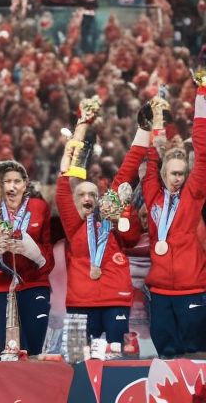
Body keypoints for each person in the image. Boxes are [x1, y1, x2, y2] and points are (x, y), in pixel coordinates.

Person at [55, 117, 146, 345]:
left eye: (93, 194)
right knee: (77, 360)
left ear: (100, 199)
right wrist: (81, 127)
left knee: (118, 357)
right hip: (79, 301)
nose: (87, 198)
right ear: (75, 202)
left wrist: (144, 131)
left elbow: (127, 170)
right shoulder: (73, 225)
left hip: (116, 298)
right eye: (82, 194)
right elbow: (63, 185)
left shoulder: (111, 217)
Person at [141, 87, 206, 357]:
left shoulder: (192, 196)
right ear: (164, 173)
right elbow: (151, 156)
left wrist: (201, 101)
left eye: (182, 174)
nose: (178, 178)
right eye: (173, 173)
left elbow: (202, 155)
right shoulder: (153, 195)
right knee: (166, 357)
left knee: (196, 355)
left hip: (192, 288)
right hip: (160, 293)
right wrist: (157, 122)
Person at [0, 160, 54, 355]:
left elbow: (48, 257)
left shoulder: (39, 207)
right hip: (1, 286)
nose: (12, 187)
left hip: (34, 284)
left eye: (17, 181)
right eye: (7, 181)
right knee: (6, 350)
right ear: (0, 184)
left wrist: (33, 252)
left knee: (34, 349)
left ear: (25, 183)